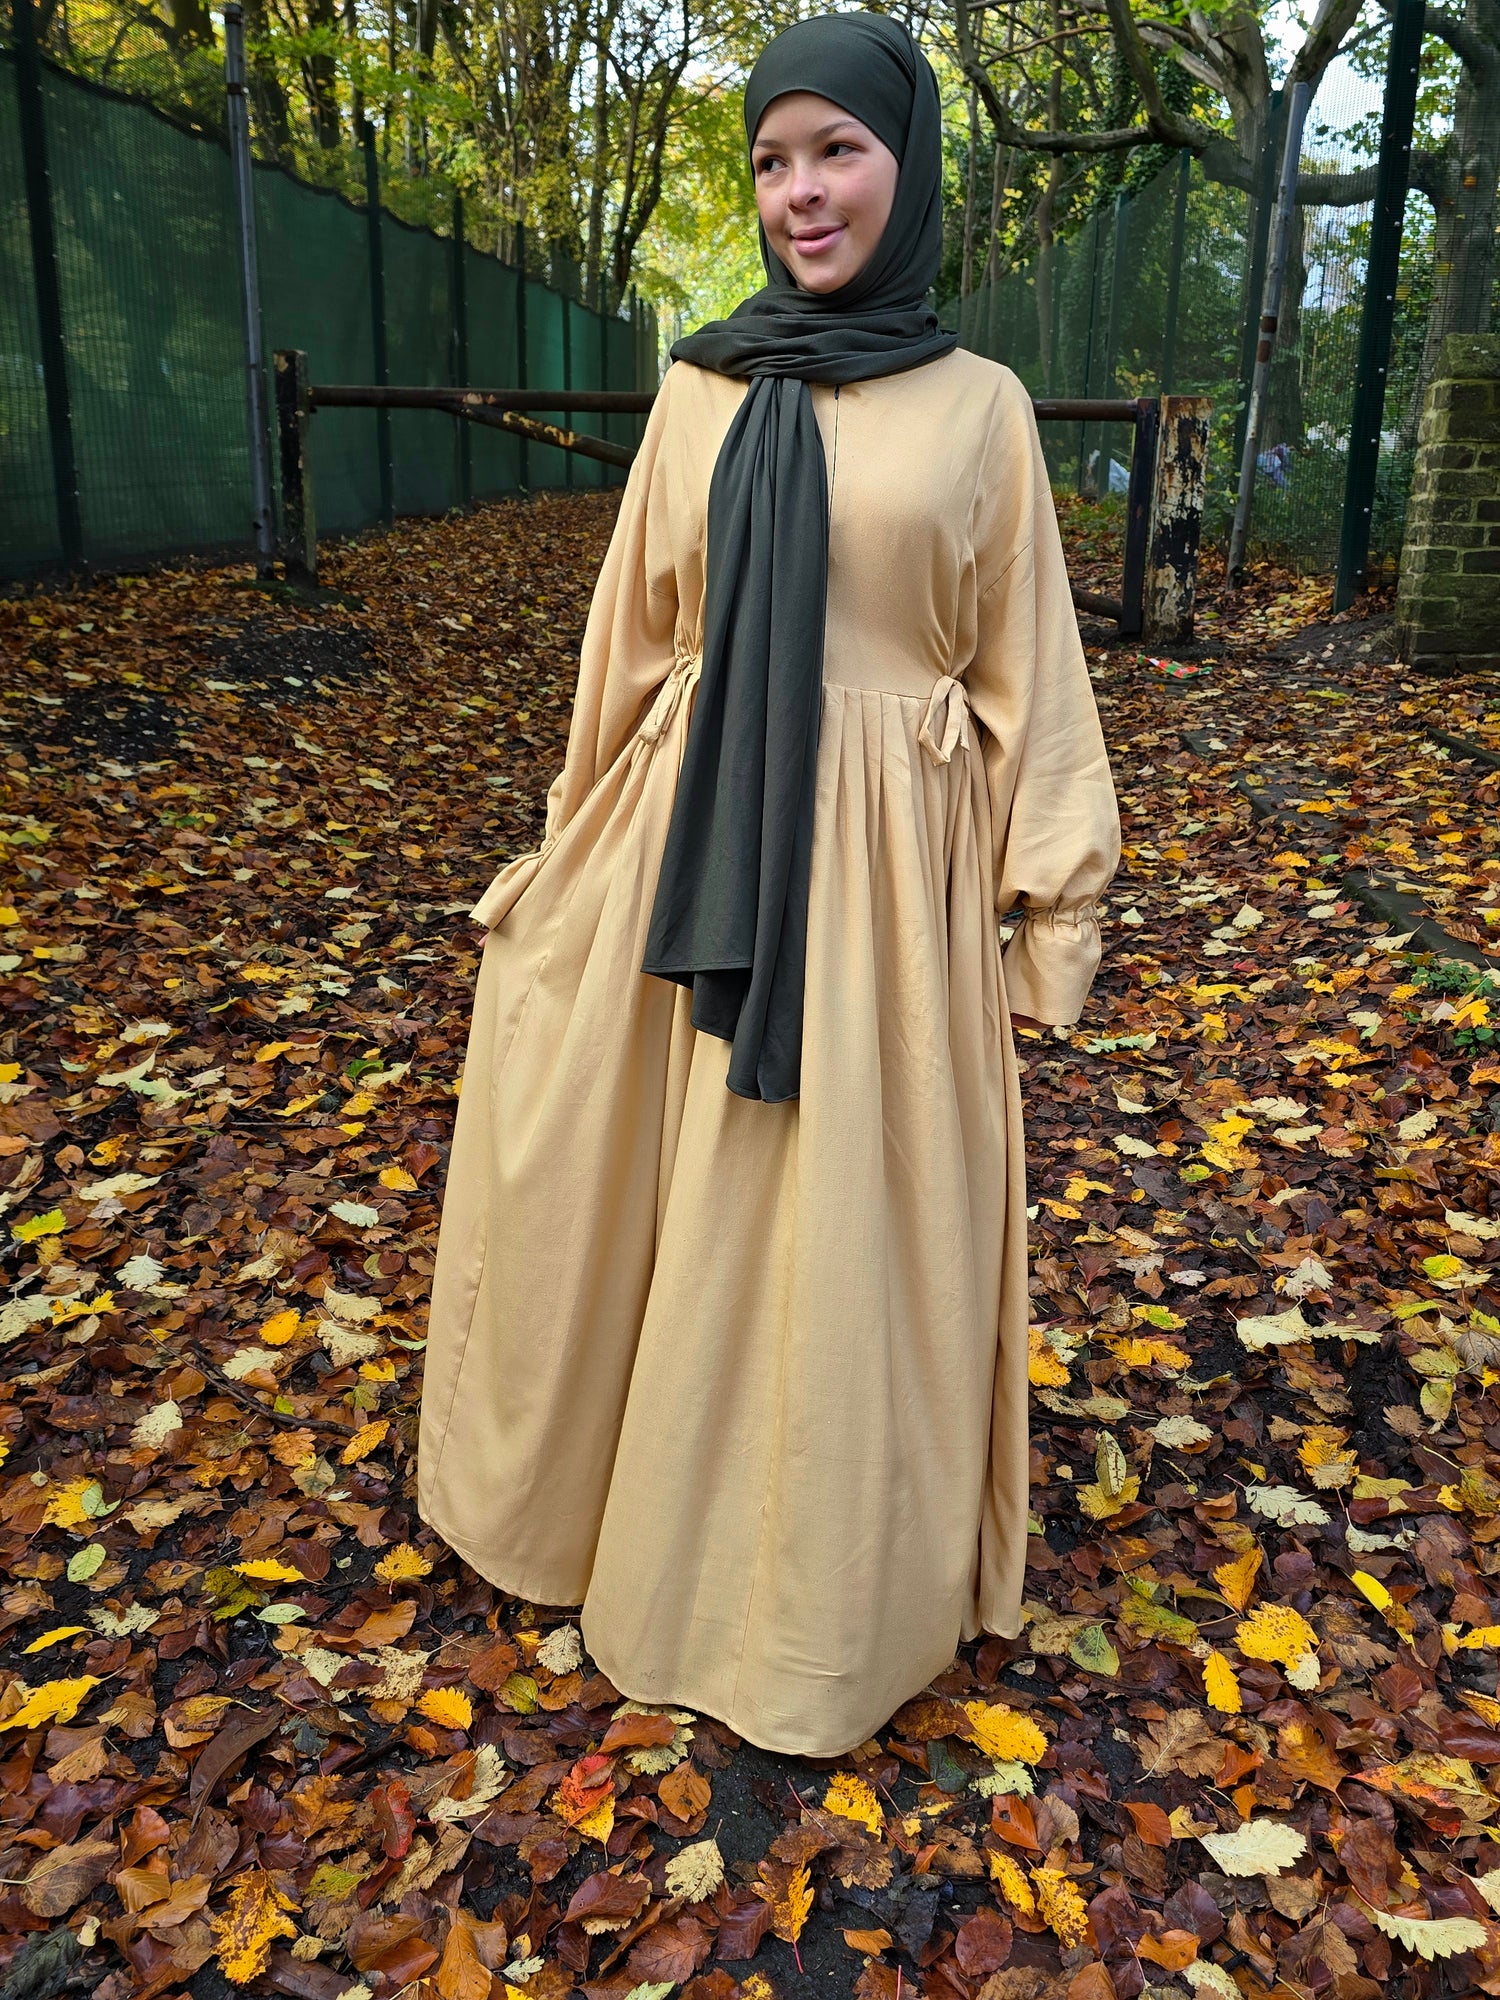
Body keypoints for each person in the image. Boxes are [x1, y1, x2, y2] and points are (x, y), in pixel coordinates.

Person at [417, 10, 1121, 1760]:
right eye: (773, 160)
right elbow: (639, 639)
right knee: (658, 1188)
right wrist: (571, 846)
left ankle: (807, 1597)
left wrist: (1054, 915)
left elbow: (1033, 672)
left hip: (883, 873)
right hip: (689, 843)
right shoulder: (702, 385)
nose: (802, 193)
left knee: (836, 1231)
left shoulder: (981, 408)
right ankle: (604, 1519)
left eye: (838, 151)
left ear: (908, 163)